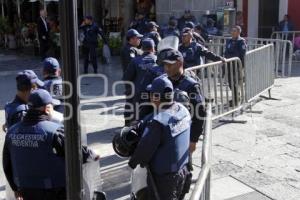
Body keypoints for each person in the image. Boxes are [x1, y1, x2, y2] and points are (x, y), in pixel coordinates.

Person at [3, 89, 99, 200]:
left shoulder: (12, 131)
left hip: (26, 191)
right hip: (55, 192)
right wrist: (94, 154)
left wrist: (15, 188)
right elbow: (78, 154)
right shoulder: (54, 132)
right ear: (47, 109)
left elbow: (7, 163)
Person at [128, 76, 191, 200]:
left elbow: (144, 150)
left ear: (156, 97)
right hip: (183, 170)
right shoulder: (183, 110)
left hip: (164, 179)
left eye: (152, 94)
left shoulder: (158, 123)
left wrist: (132, 162)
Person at [162, 49, 206, 155]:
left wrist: (193, 140)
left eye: (170, 65)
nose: (166, 68)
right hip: (165, 133)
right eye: (165, 65)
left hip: (183, 134)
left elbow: (200, 113)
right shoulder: (164, 82)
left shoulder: (191, 85)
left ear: (180, 63)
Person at [123, 38, 161, 124]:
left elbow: (126, 77)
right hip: (156, 94)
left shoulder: (135, 61)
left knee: (137, 117)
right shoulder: (158, 60)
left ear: (142, 48)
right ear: (153, 48)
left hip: (138, 94)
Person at [225, 26, 247, 106]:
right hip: (228, 63)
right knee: (230, 81)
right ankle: (236, 95)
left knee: (234, 81)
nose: (232, 32)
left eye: (234, 31)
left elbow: (242, 54)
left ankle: (236, 98)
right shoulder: (229, 40)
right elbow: (226, 51)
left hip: (236, 64)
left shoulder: (241, 41)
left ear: (238, 32)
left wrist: (241, 65)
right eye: (232, 31)